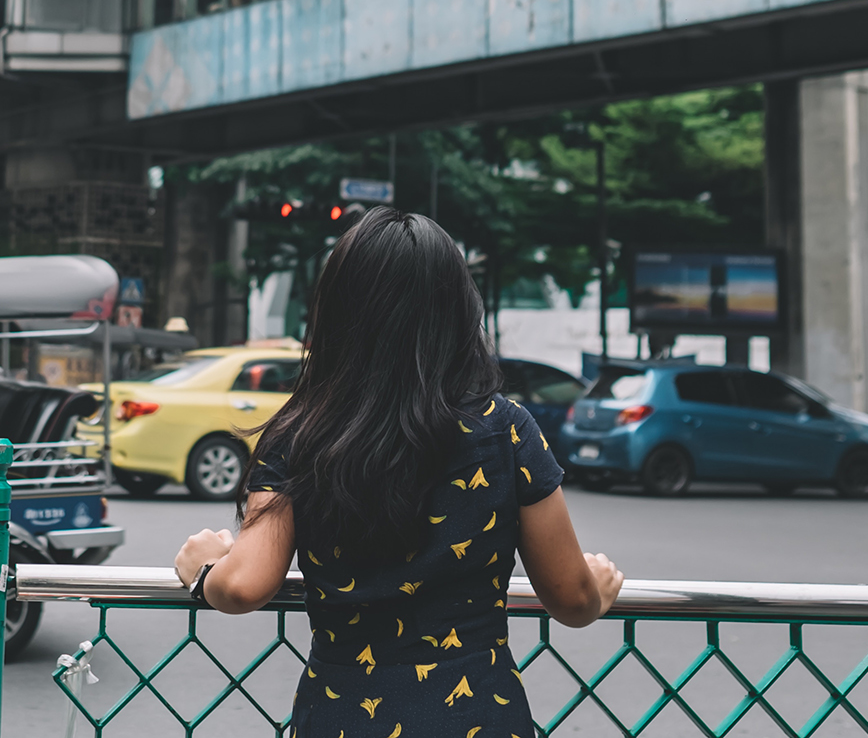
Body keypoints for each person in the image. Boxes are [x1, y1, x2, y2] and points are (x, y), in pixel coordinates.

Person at [172, 208, 622, 736]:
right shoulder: (507, 429)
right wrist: (598, 586)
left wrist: (205, 574)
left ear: (336, 312)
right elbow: (571, 600)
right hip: (477, 713)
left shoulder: (298, 434)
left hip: (343, 717)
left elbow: (245, 585)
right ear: (456, 311)